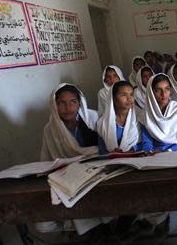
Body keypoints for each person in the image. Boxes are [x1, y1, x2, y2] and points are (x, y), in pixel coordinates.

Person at [38, 84, 108, 236]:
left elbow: (106, 148)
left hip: (97, 169)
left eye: (72, 102)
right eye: (61, 103)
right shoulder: (50, 129)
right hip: (67, 175)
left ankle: (98, 230)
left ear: (80, 102)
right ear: (54, 105)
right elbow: (46, 159)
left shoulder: (93, 118)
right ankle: (94, 231)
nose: (67, 107)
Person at [139, 74, 177, 152]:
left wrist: (169, 150)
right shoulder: (146, 113)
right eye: (158, 90)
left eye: (167, 89)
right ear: (151, 92)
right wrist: (149, 152)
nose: (163, 94)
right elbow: (147, 141)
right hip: (155, 154)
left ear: (171, 90)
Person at [97, 81, 141, 154]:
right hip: (111, 160)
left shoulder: (140, 116)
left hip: (136, 157)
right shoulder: (103, 122)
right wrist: (111, 153)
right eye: (123, 95)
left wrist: (132, 150)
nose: (129, 98)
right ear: (113, 98)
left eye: (131, 94)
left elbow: (146, 143)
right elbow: (102, 149)